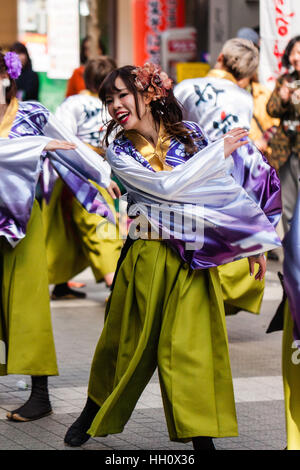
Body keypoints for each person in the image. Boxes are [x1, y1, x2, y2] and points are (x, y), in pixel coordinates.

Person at [64, 63, 281, 450]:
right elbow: (167, 186)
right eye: (108, 99)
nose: (114, 105)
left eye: (122, 95)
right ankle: (90, 411)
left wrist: (254, 242)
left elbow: (222, 189)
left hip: (193, 259)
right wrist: (218, 152)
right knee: (123, 345)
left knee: (192, 350)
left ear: (150, 94)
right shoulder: (120, 151)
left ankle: (202, 444)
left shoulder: (191, 134)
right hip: (147, 254)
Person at [0, 50, 118, 422]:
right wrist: (36, 147)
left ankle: (40, 393)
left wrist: (102, 175)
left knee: (28, 305)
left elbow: (70, 146)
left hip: (22, 223)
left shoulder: (32, 114)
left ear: (7, 79)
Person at [174, 38, 282, 316]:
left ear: (219, 57)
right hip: (228, 177)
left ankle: (196, 300)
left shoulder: (186, 88)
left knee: (193, 241)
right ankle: (219, 298)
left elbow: (173, 132)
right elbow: (242, 147)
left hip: (190, 174)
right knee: (224, 238)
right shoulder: (244, 98)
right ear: (246, 74)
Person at [44, 56, 122, 299]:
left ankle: (61, 283)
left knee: (66, 230)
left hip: (72, 170)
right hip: (95, 172)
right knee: (101, 224)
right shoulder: (113, 104)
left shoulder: (73, 103)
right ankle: (115, 284)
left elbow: (63, 135)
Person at [267, 35, 300, 234]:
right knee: (288, 208)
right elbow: (271, 109)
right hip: (287, 151)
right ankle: (292, 259)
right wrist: (284, 98)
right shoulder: (285, 80)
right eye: (294, 53)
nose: (296, 57)